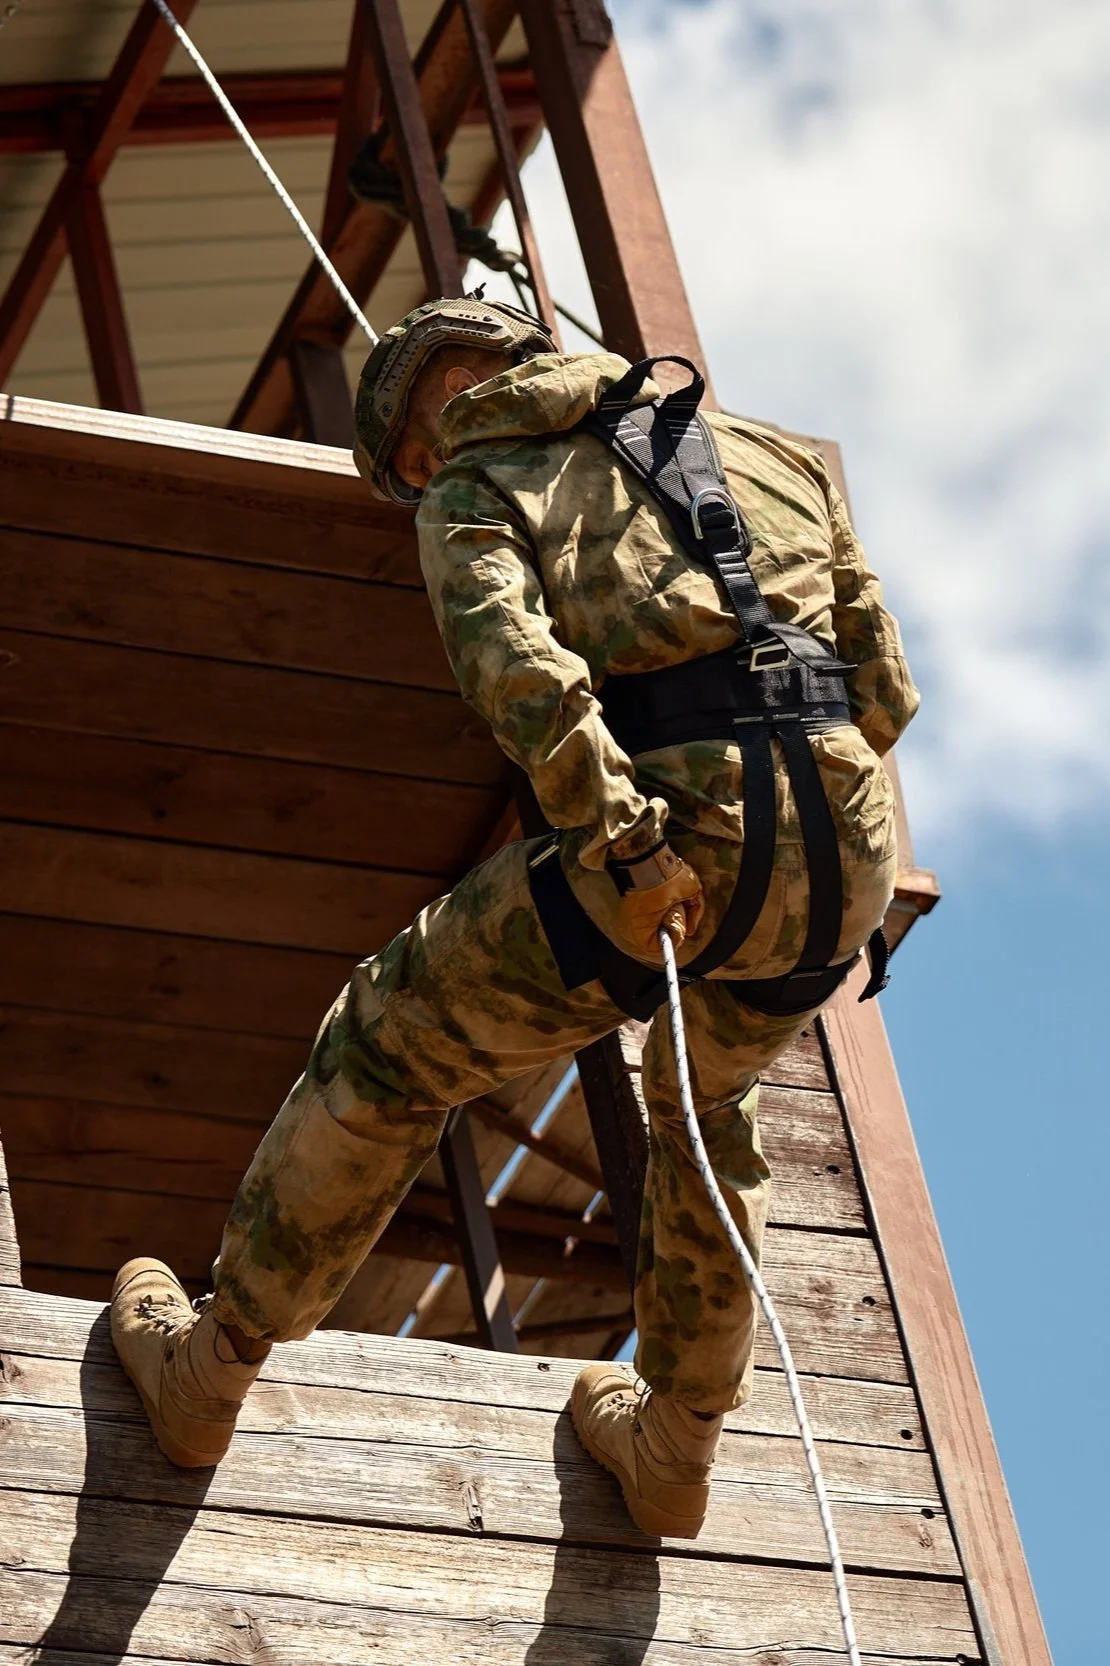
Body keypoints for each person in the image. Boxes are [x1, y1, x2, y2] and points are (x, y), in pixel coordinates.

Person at [111, 296, 918, 1541]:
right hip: (846, 853)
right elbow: (885, 683)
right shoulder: (768, 450)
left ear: (415, 445)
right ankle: (677, 1450)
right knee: (710, 1110)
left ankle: (207, 1372)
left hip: (665, 842)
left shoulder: (475, 486)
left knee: (392, 1041)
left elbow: (521, 677)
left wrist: (628, 837)